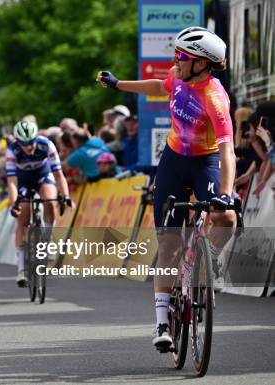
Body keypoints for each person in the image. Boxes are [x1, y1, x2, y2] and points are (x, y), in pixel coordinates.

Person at [97, 26, 237, 350]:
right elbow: (158, 86)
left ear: (202, 64)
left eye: (183, 56)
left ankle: (208, 257)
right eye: (176, 53)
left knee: (227, 219)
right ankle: (162, 322)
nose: (176, 59)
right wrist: (119, 84)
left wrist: (226, 193)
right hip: (173, 161)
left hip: (207, 162)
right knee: (169, 244)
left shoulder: (215, 98)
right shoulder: (179, 75)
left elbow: (228, 150)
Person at [6, 120, 72, 286]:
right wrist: (15, 203)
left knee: (50, 200)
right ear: (17, 141)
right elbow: (12, 181)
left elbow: (58, 175)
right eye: (24, 144)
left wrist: (65, 195)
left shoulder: (47, 145)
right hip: (22, 180)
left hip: (42, 175)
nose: (28, 147)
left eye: (31, 142)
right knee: (23, 217)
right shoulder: (12, 150)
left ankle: (48, 240)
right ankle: (21, 269)